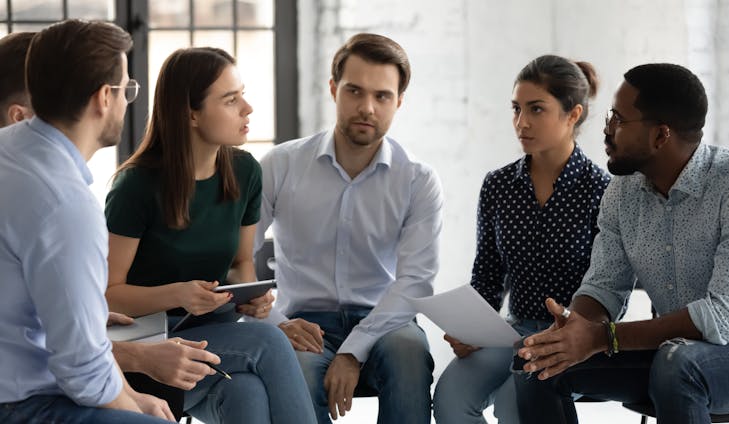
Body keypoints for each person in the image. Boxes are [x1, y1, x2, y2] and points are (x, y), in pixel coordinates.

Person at [514, 63, 729, 424]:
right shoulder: (622, 193)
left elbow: (722, 318)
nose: (607, 130)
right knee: (538, 362)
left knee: (678, 364)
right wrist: (576, 329)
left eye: (619, 120)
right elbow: (604, 286)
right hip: (673, 357)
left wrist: (603, 338)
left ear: (661, 136)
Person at [0, 31, 220, 404]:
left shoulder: (11, 151)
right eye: (126, 88)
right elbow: (83, 372)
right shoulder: (65, 204)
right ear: (104, 97)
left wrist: (87, 313)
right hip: (24, 403)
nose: (127, 100)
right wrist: (137, 406)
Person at [104, 46, 316, 424]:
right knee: (269, 341)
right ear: (191, 114)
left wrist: (253, 299)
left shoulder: (245, 171)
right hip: (151, 347)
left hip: (214, 334)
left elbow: (239, 264)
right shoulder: (135, 186)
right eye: (231, 100)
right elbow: (107, 295)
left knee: (246, 393)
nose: (248, 108)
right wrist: (178, 294)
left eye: (243, 95)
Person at [255, 32, 442, 423]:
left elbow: (414, 283)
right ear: (333, 89)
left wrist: (353, 350)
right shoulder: (281, 165)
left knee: (408, 355)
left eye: (382, 96)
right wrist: (277, 325)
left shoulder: (417, 180)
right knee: (297, 374)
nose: (367, 108)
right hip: (303, 322)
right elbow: (237, 257)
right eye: (354, 91)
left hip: (386, 320)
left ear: (399, 101)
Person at [433, 55, 610, 424]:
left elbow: (612, 287)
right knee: (449, 398)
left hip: (570, 340)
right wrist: (470, 330)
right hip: (511, 333)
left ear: (572, 115)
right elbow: (487, 275)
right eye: (516, 109)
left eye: (536, 110)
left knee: (515, 406)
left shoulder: (602, 192)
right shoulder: (498, 186)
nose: (521, 123)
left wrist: (576, 332)